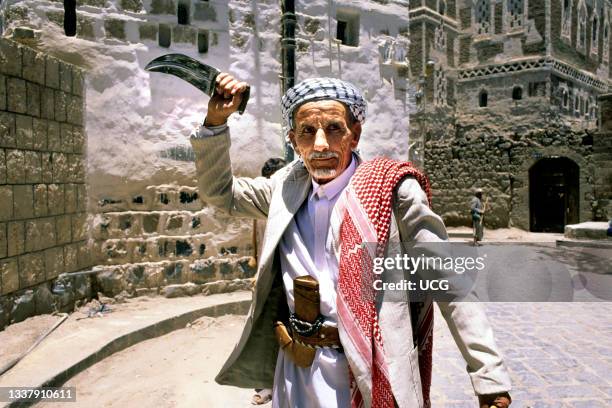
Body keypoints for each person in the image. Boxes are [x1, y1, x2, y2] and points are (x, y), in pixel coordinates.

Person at [190, 74, 512, 407]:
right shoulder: (284, 187)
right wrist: (215, 123)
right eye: (307, 132)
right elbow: (219, 194)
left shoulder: (393, 192)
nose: (320, 145)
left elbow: (449, 279)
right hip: (295, 371)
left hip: (369, 369)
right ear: (292, 141)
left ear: (354, 135)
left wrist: (488, 375)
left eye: (333, 129)